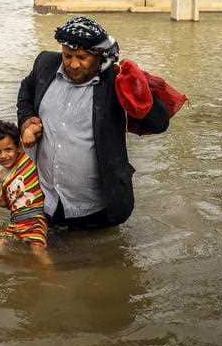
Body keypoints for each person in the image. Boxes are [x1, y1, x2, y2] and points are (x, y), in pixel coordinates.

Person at [17, 16, 170, 230]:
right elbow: (26, 89)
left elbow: (159, 123)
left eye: (82, 57)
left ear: (99, 56)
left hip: (96, 209)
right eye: (67, 55)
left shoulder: (114, 80)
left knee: (100, 256)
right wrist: (26, 121)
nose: (73, 64)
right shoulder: (46, 64)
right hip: (46, 200)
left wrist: (137, 88)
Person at [0, 120, 51, 266]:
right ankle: (18, 268)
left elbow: (36, 131)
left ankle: (50, 277)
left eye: (8, 149)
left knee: (37, 250)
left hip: (35, 219)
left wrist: (30, 129)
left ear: (18, 147)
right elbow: (7, 203)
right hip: (15, 223)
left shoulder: (26, 159)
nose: (3, 156)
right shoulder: (1, 177)